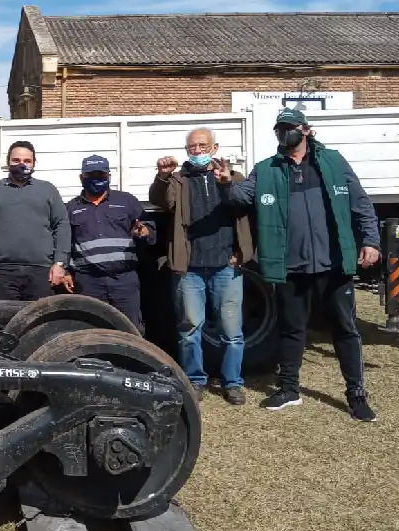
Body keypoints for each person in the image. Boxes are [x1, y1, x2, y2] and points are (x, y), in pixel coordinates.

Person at [221, 108, 380, 421]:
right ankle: (289, 389)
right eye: (279, 129)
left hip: (333, 264)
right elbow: (241, 197)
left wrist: (371, 240)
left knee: (345, 330)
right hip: (291, 266)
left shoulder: (332, 162)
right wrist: (226, 183)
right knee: (292, 329)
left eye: (290, 127)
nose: (285, 133)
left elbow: (360, 203)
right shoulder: (266, 169)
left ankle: (356, 394)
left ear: (306, 130)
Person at [149, 127, 254, 405]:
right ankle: (195, 381)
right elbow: (161, 201)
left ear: (214, 148)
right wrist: (162, 177)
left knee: (232, 330)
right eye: (192, 147)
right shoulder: (179, 180)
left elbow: (245, 204)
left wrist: (226, 183)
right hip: (190, 267)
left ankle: (232, 383)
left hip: (225, 266)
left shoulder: (233, 177)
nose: (197, 150)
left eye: (202, 145)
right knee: (189, 329)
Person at [0, 140, 70, 301]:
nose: (22, 164)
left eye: (27, 161)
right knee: (2, 323)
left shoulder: (47, 189)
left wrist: (60, 263)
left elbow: (61, 225)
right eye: (16, 160)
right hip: (1, 271)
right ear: (8, 162)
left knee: (38, 321)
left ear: (34, 164)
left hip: (40, 271)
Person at [62, 155, 156, 331]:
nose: (97, 179)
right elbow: (65, 243)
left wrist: (144, 232)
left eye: (101, 175)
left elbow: (150, 231)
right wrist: (66, 271)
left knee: (131, 330)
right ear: (82, 178)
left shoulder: (127, 201)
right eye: (91, 175)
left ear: (109, 177)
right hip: (88, 282)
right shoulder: (71, 208)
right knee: (90, 330)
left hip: (124, 281)